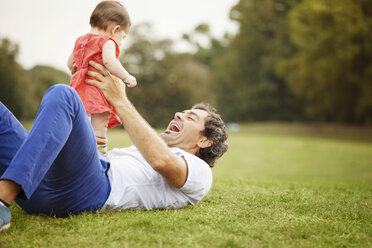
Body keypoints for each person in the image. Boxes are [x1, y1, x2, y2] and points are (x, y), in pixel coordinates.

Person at [0, 61, 228, 232]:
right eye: (184, 112)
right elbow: (87, 151)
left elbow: (162, 162)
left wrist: (120, 100)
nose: (179, 113)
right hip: (44, 186)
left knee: (64, 95)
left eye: (191, 118)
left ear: (204, 141)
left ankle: (2, 201)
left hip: (89, 191)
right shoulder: (138, 151)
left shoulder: (200, 171)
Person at [67, 1, 137, 154]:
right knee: (99, 127)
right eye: (123, 37)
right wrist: (126, 76)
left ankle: (76, 154)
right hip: (96, 93)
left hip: (77, 92)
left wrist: (79, 71)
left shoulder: (80, 40)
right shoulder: (107, 42)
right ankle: (99, 156)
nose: (121, 42)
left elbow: (70, 63)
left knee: (78, 127)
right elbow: (109, 61)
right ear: (115, 30)